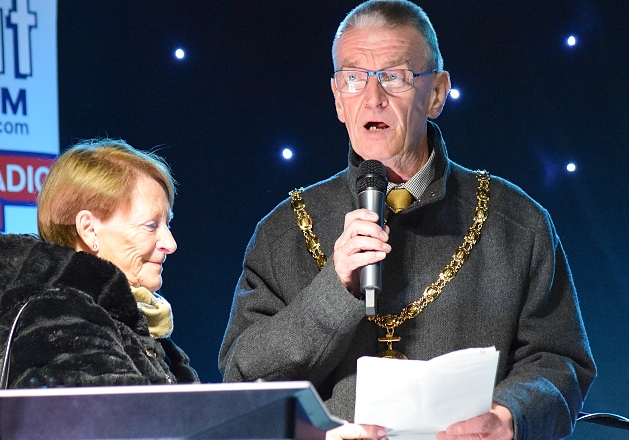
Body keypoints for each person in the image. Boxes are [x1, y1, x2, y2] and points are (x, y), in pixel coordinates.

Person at [219, 1, 595, 439]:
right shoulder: (281, 232)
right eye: (354, 78)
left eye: (393, 77)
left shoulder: (517, 223)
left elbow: (560, 361)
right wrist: (332, 289)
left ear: (436, 94)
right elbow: (241, 379)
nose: (372, 97)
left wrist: (508, 417)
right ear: (338, 99)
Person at [0, 139, 198, 389]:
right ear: (89, 229)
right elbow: (125, 422)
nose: (170, 243)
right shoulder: (57, 316)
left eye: (168, 224)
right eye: (151, 226)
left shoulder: (132, 325)